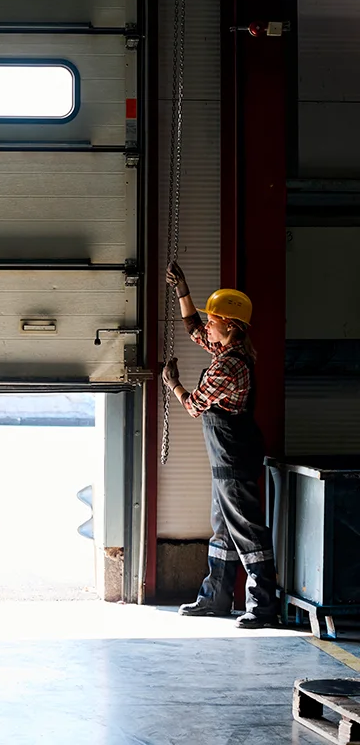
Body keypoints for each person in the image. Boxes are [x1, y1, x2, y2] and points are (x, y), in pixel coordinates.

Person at [162, 262, 279, 629]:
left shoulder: (228, 367)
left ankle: (263, 607)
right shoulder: (226, 352)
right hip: (226, 462)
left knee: (247, 531)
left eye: (214, 319)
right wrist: (182, 287)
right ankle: (214, 598)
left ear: (230, 325)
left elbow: (195, 405)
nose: (207, 323)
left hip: (235, 459)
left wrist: (173, 384)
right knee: (224, 531)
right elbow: (193, 327)